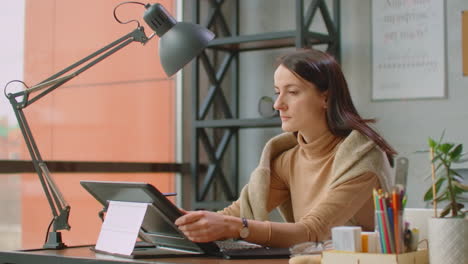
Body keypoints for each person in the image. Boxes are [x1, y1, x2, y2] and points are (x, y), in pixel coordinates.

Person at [175, 49, 396, 248]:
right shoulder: (287, 160)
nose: (278, 104)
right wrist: (185, 221)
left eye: (292, 92)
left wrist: (235, 226)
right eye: (277, 92)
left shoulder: (362, 158)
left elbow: (314, 231)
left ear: (326, 98)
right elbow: (239, 213)